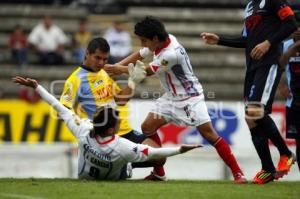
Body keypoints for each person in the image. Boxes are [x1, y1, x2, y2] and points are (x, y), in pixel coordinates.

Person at [104, 16, 247, 183]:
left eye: (144, 40)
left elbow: (146, 71)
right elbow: (139, 55)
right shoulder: (163, 40)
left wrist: (116, 69)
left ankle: (238, 173)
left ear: (155, 39)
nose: (143, 44)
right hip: (171, 98)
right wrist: (116, 67)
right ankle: (159, 173)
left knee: (209, 135)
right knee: (147, 126)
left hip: (190, 99)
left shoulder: (171, 54)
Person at [12, 76, 201, 180]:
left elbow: (57, 106)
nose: (120, 121)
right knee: (142, 161)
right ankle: (126, 168)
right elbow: (153, 153)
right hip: (115, 170)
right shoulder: (121, 146)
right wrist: (180, 149)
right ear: (111, 129)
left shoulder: (83, 130)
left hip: (85, 176)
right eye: (117, 120)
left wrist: (37, 87)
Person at [201, 0, 297, 184]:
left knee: (255, 111)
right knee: (250, 118)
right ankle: (268, 168)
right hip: (253, 67)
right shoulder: (250, 6)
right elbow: (247, 40)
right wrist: (220, 40)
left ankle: (286, 153)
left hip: (269, 62)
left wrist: (268, 43)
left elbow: (291, 23)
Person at [60, 37, 167, 181]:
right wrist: (84, 129)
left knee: (160, 156)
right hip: (104, 137)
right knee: (114, 178)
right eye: (97, 58)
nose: (101, 63)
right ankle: (119, 166)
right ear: (87, 53)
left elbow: (121, 100)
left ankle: (126, 164)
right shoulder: (75, 80)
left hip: (124, 130)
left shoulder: (103, 73)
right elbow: (64, 109)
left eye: (104, 59)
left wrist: (133, 82)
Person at [278, 16, 300, 171]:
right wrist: (281, 85)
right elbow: (278, 66)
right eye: (296, 27)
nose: (298, 30)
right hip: (294, 103)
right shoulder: (285, 46)